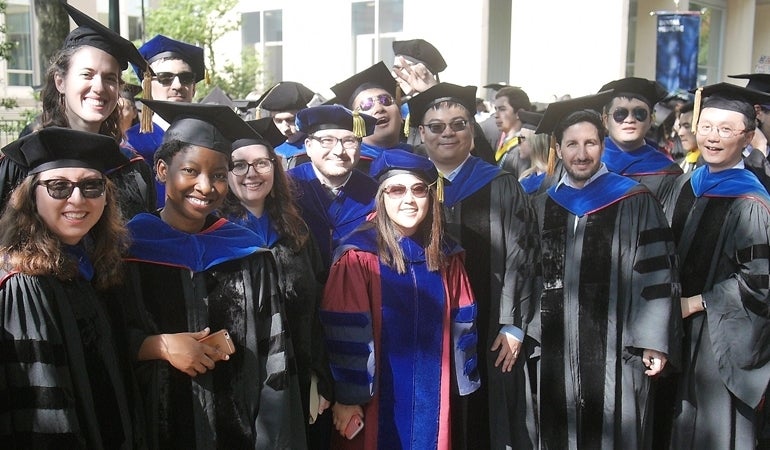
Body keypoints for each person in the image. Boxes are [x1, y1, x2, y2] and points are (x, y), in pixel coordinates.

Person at [120, 100, 306, 449]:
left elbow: (274, 358)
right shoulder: (129, 250)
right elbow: (105, 340)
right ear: (161, 170)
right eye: (190, 171)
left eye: (219, 175)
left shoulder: (247, 252)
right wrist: (157, 347)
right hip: (152, 431)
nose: (206, 187)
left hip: (239, 435)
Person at [531, 93, 681, 449]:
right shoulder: (541, 204)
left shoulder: (634, 199)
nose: (581, 154)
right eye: (572, 144)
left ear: (603, 144)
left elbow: (657, 274)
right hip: (555, 345)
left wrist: (653, 341)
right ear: (559, 148)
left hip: (618, 347)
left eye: (590, 143)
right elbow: (527, 272)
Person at [320, 149, 480, 449]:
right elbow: (344, 335)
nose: (409, 199)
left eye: (419, 189)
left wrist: (460, 381)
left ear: (431, 198)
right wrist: (348, 396)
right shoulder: (358, 255)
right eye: (396, 189)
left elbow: (463, 320)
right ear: (381, 197)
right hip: (374, 400)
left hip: (434, 396)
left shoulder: (446, 255)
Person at [410, 82, 541, 449]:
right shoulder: (408, 188)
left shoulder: (500, 185)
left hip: (489, 331)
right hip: (425, 332)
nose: (447, 132)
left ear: (472, 129)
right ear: (422, 133)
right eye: (436, 126)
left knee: (482, 422)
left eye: (458, 123)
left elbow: (525, 256)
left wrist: (515, 325)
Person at [0, 127, 140, 448]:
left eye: (92, 186)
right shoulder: (23, 284)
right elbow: (39, 408)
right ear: (31, 197)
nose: (77, 199)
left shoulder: (92, 265)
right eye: (58, 186)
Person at [661, 83, 770, 450]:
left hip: (718, 335)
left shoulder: (751, 201)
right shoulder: (685, 184)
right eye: (706, 126)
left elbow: (759, 280)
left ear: (747, 137)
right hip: (672, 329)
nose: (712, 137)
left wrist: (696, 303)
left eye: (726, 129)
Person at [218, 119, 334, 447]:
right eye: (237, 164)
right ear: (223, 173)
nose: (251, 173)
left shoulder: (296, 233)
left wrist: (317, 375)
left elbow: (317, 309)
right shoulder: (213, 236)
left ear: (275, 168)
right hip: (234, 386)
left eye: (261, 163)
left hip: (294, 379)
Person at [0, 2, 156, 219]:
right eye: (87, 74)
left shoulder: (132, 170)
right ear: (60, 81)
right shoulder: (22, 162)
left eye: (110, 78)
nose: (100, 87)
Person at [287, 104, 378, 269]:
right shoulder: (286, 187)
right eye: (327, 140)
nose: (338, 150)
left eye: (349, 141)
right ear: (308, 146)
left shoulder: (375, 193)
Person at [126, 34, 205, 207]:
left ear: (193, 87)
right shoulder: (129, 143)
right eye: (165, 78)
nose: (177, 85)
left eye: (185, 78)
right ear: (147, 85)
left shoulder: (210, 138)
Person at [599, 77, 683, 201]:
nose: (629, 119)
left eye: (640, 113)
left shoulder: (667, 171)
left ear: (651, 120)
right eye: (620, 114)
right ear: (606, 120)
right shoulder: (587, 162)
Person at [330, 61, 412, 173]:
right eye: (366, 105)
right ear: (355, 123)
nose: (379, 108)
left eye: (386, 100)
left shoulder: (420, 155)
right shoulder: (347, 164)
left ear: (400, 114)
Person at [255, 81, 316, 168]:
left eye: (291, 120)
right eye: (278, 121)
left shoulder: (316, 149)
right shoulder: (267, 150)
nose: (285, 129)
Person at [494, 86, 533, 178]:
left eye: (502, 109)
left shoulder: (523, 147)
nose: (496, 115)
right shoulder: (504, 141)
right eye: (496, 109)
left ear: (519, 113)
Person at [675, 102, 701, 174]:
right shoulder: (678, 166)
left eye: (686, 126)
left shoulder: (712, 167)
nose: (680, 133)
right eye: (680, 127)